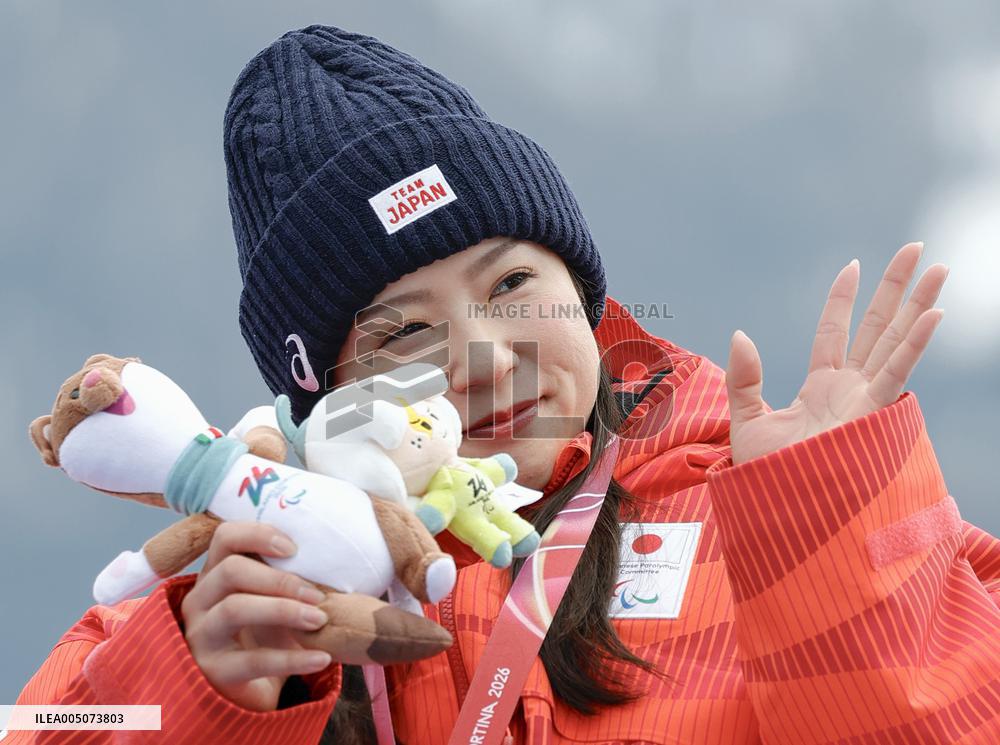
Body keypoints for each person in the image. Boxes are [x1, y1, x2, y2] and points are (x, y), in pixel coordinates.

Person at [10, 23, 1000, 745]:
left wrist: (830, 540)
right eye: (403, 333)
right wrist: (204, 688)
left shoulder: (782, 516)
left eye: (513, 283)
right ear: (323, 396)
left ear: (583, 291)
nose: (485, 357)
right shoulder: (214, 599)